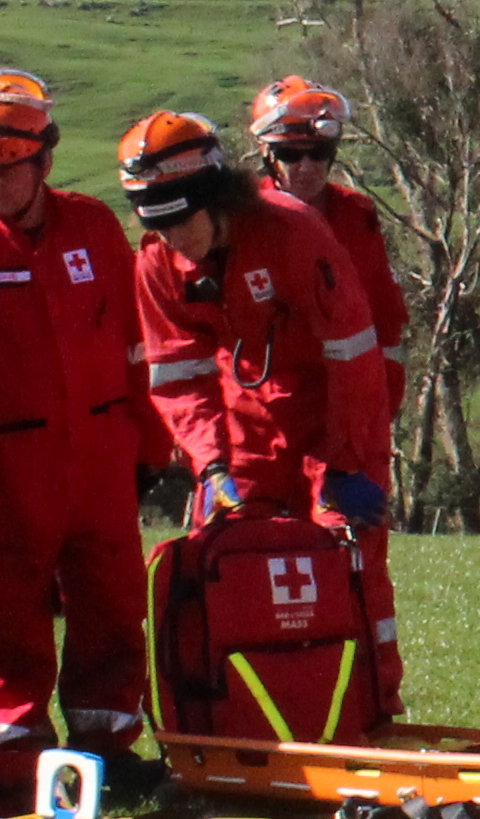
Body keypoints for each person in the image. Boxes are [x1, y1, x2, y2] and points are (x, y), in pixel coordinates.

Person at [0, 71, 155, 760]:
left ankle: (109, 746)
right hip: (6, 472)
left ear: (43, 161)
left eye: (7, 171)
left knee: (112, 608)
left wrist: (150, 448)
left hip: (100, 461)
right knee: (7, 618)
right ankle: (13, 753)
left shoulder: (95, 229)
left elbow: (137, 349)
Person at [120, 113, 387, 542]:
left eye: (182, 220)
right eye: (158, 225)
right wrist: (211, 464)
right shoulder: (157, 260)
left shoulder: (292, 233)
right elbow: (178, 376)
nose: (174, 239)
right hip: (246, 430)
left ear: (217, 199)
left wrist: (346, 462)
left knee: (346, 567)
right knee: (232, 559)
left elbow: (353, 355)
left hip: (333, 422)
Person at [251, 77, 411, 717]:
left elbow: (386, 329)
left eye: (320, 153)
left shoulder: (356, 217)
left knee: (360, 572)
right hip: (270, 428)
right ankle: (272, 705)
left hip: (351, 427)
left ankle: (374, 701)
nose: (307, 167)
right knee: (262, 571)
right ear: (267, 156)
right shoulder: (244, 224)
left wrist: (372, 428)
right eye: (293, 155)